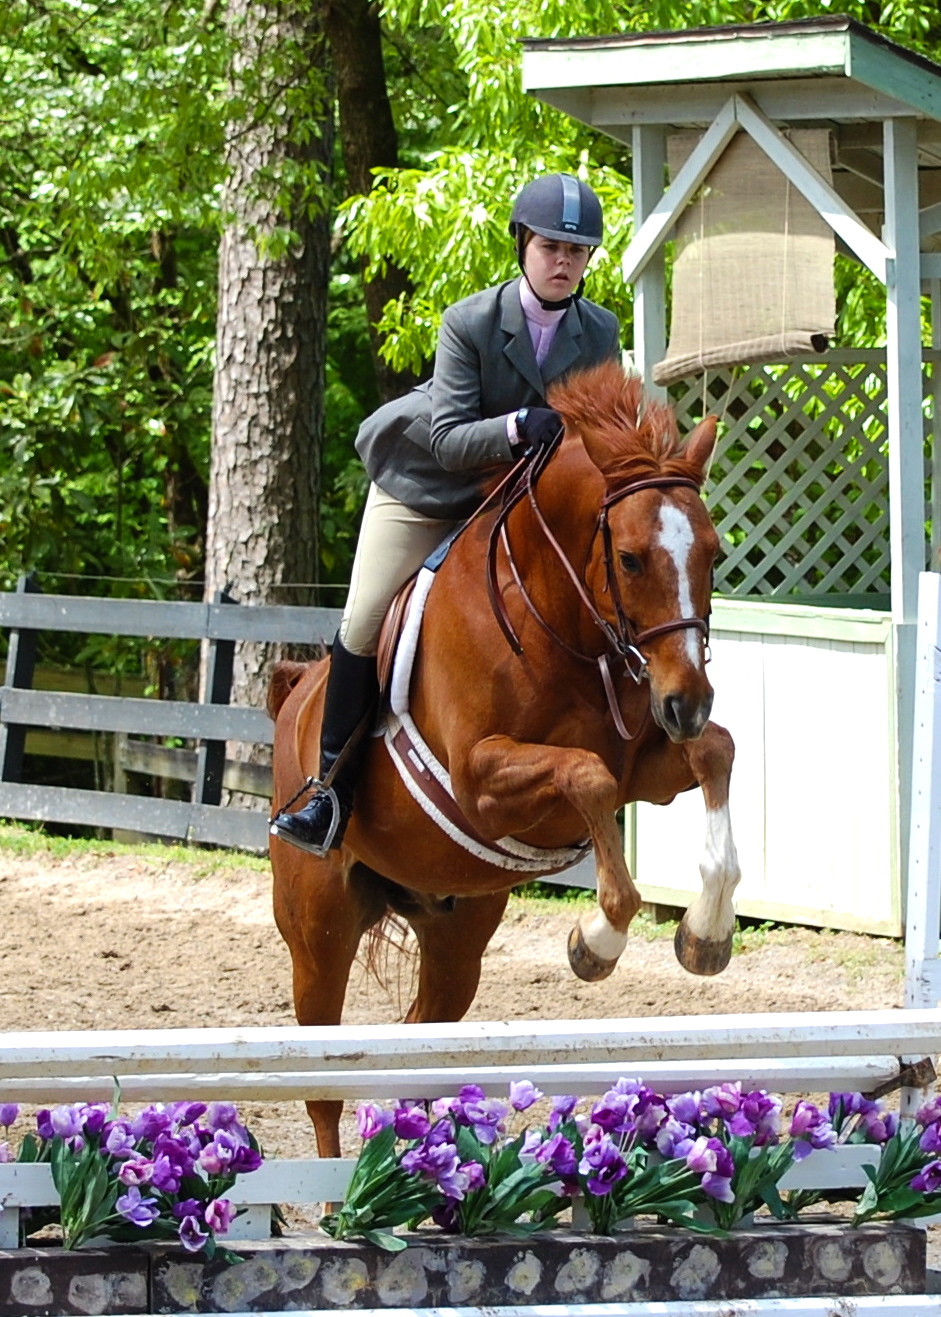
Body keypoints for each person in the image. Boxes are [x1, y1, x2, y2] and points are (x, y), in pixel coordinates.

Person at [270, 172, 622, 856]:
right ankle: (329, 793)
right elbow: (448, 437)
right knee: (367, 615)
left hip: (520, 502)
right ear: (521, 244)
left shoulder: (598, 329)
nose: (562, 262)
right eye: (550, 246)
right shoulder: (469, 322)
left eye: (576, 252)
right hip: (429, 486)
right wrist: (520, 424)